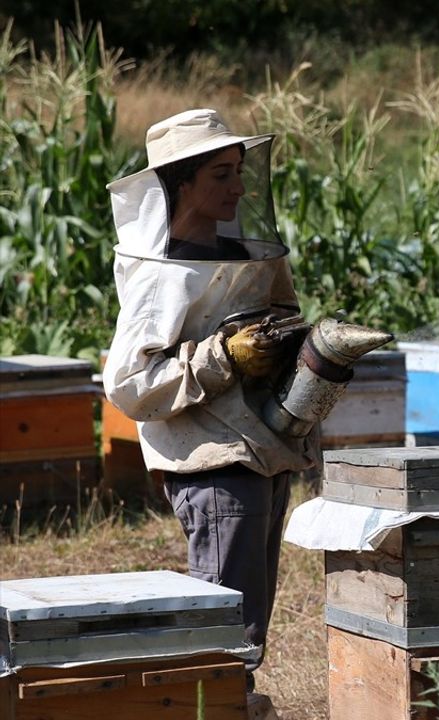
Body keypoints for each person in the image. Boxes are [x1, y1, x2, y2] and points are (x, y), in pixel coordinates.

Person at [103, 109, 314, 717]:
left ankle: (232, 703)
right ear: (181, 182)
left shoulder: (248, 250)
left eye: (240, 172)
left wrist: (305, 352)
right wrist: (222, 356)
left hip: (266, 445)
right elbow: (130, 384)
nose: (239, 187)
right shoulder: (157, 273)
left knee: (248, 614)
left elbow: (281, 323)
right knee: (225, 619)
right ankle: (216, 707)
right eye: (221, 174)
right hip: (210, 459)